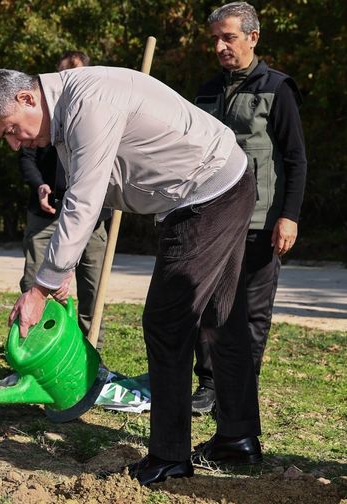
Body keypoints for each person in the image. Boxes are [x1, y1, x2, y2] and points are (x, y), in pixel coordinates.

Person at [0, 66, 261, 486]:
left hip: (207, 194)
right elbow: (91, 190)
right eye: (7, 138)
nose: (16, 143)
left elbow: (85, 200)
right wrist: (63, 269)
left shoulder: (89, 103)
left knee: (166, 323)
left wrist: (41, 286)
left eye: (12, 130)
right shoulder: (68, 112)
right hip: (217, 185)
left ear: (26, 99)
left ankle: (169, 455)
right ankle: (237, 438)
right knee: (221, 318)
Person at [190, 1, 307, 415]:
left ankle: (241, 390)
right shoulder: (205, 91)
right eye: (216, 39)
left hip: (261, 221)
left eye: (230, 37)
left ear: (253, 37)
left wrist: (288, 216)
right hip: (213, 220)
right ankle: (207, 385)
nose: (221, 46)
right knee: (207, 306)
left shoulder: (278, 88)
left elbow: (295, 159)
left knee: (252, 312)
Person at [19, 50, 109, 349]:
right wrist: (40, 185)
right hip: (46, 211)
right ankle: (38, 345)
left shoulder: (98, 112)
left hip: (93, 214)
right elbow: (26, 157)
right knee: (36, 279)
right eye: (63, 75)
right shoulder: (41, 117)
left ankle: (89, 349)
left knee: (92, 284)